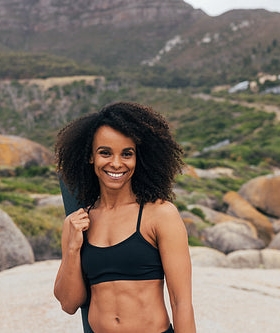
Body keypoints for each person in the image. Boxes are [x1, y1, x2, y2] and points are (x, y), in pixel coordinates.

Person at [54, 102, 196, 333]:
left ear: (139, 158)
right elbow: (69, 304)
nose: (117, 163)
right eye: (105, 153)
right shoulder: (78, 223)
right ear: (90, 156)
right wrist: (73, 247)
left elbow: (181, 303)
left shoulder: (159, 214)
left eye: (127, 154)